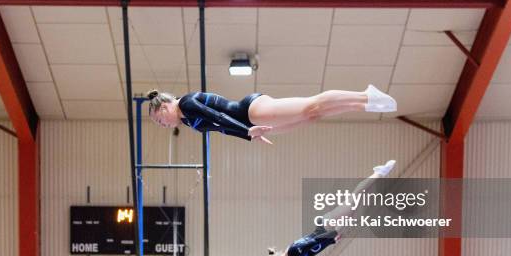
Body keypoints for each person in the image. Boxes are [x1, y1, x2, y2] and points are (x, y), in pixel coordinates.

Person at [266, 160, 396, 256]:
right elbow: (316, 249)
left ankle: (380, 172)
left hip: (327, 227)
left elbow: (315, 240)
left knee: (356, 197)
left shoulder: (293, 252)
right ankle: (379, 177)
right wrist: (332, 241)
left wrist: (333, 235)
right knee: (357, 201)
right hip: (328, 229)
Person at [145, 85, 396, 144]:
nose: (162, 124)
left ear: (164, 107)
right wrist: (249, 136)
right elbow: (221, 128)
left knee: (310, 106)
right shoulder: (187, 119)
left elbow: (219, 118)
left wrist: (246, 130)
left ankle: (365, 96)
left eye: (159, 120)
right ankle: (361, 105)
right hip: (250, 123)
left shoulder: (187, 104)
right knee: (312, 116)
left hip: (250, 110)